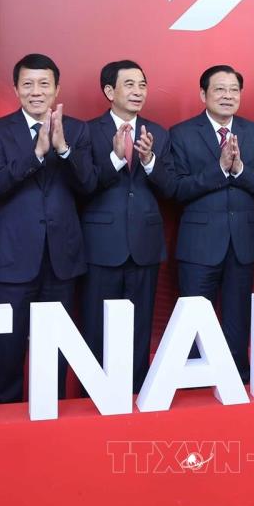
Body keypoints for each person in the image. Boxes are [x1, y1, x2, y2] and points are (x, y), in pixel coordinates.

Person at [0, 54, 96, 403]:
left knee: (55, 349)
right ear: (15, 89)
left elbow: (88, 185)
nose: (36, 91)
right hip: (13, 259)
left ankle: (52, 417)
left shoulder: (78, 129)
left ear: (57, 89)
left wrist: (62, 149)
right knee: (8, 349)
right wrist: (36, 154)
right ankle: (6, 418)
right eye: (28, 84)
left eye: (44, 84)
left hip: (62, 259)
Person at [169, 65, 254, 379]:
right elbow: (176, 189)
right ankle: (192, 381)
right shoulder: (181, 133)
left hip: (241, 243)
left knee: (237, 318)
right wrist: (218, 169)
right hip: (199, 245)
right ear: (203, 94)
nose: (228, 96)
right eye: (220, 89)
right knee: (193, 320)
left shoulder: (253, 132)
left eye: (234, 90)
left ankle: (236, 378)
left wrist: (239, 169)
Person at [82, 60, 176, 393]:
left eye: (142, 85)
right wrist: (116, 158)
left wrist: (149, 161)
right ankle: (94, 394)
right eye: (130, 85)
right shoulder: (87, 131)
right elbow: (83, 185)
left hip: (144, 243)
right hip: (101, 244)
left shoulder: (158, 133)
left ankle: (137, 391)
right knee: (96, 325)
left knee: (140, 325)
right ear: (110, 91)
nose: (138, 92)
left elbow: (171, 188)